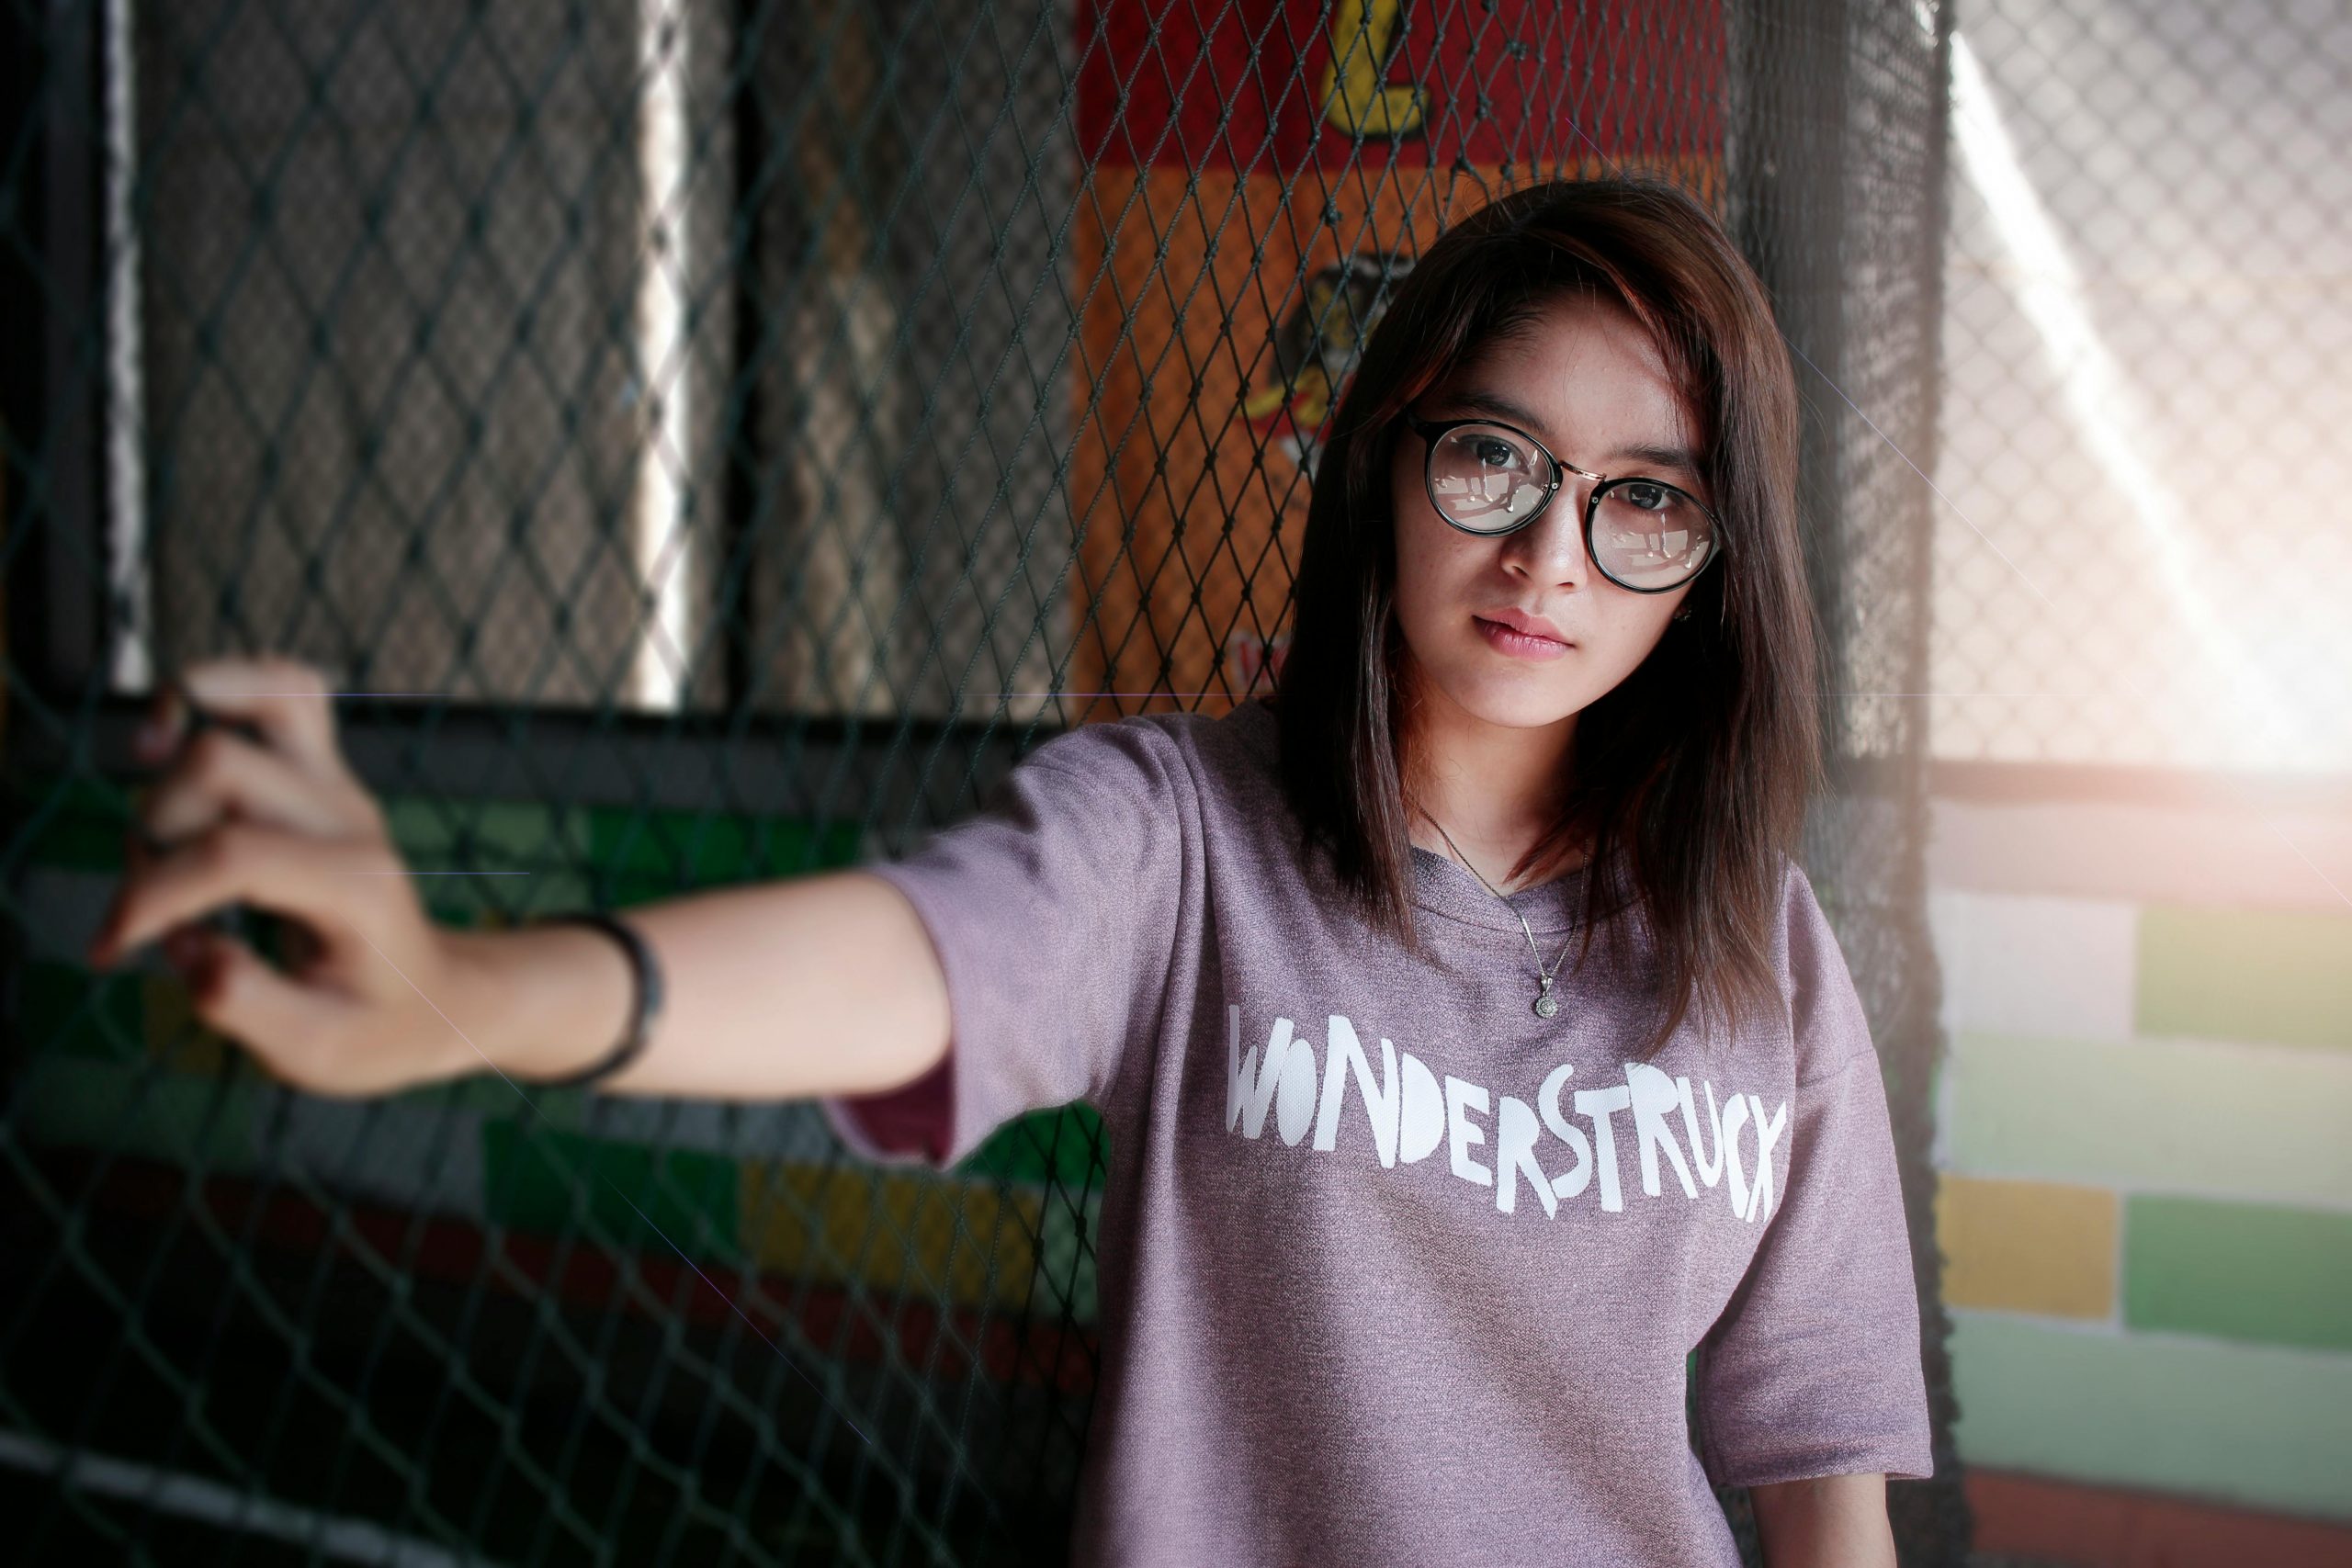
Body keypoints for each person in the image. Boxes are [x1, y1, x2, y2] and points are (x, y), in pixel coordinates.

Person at [85, 175, 1931, 1566]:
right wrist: (464, 990)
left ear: (1711, 559)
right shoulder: (1182, 832)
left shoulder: (1751, 938)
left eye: (1642, 496)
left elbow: (1810, 1440)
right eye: (1490, 454)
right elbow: (922, 952)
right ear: (1386, 463)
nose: (1548, 547)